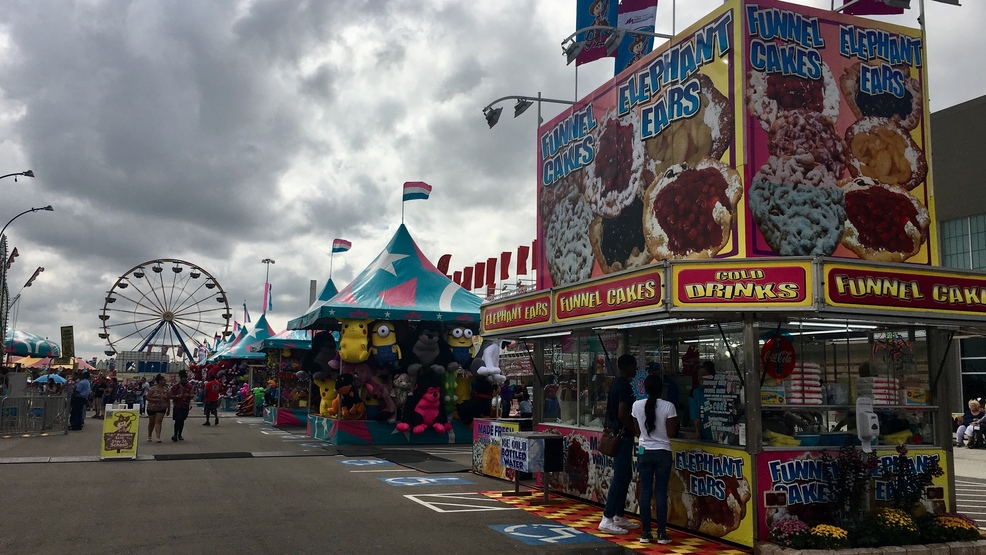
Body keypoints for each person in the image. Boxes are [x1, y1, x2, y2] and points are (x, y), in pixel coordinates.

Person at [632, 374, 679, 545]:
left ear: (644, 388)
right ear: (661, 389)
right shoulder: (669, 407)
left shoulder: (636, 405)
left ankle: (645, 533)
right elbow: (671, 433)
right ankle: (661, 533)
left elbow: (637, 431)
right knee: (660, 493)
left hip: (644, 452)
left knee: (645, 492)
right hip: (663, 452)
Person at [597, 354, 640, 535]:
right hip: (622, 436)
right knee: (620, 476)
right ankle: (607, 518)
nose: (636, 370)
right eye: (634, 366)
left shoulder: (615, 383)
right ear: (628, 367)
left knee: (625, 475)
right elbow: (623, 413)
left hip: (618, 434)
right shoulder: (624, 386)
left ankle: (619, 515)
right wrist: (634, 429)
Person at [689, 360, 715, 440]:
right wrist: (697, 432)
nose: (700, 377)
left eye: (703, 375)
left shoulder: (721, 391)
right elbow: (695, 417)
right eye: (698, 375)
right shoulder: (695, 393)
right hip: (705, 436)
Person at [169, 370, 194, 441]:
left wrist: (189, 395)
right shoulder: (175, 386)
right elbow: (170, 395)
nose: (184, 381)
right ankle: (175, 434)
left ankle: (179, 434)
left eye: (185, 380)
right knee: (177, 420)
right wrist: (177, 396)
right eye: (182, 380)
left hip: (185, 406)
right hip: (177, 405)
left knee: (182, 420)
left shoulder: (189, 386)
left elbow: (192, 395)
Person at [145, 374, 170, 442]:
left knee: (158, 421)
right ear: (159, 381)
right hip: (152, 407)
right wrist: (154, 400)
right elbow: (147, 397)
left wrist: (169, 409)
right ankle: (149, 435)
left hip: (162, 408)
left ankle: (158, 437)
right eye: (163, 380)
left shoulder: (166, 390)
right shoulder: (153, 389)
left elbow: (168, 400)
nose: (165, 381)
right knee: (151, 422)